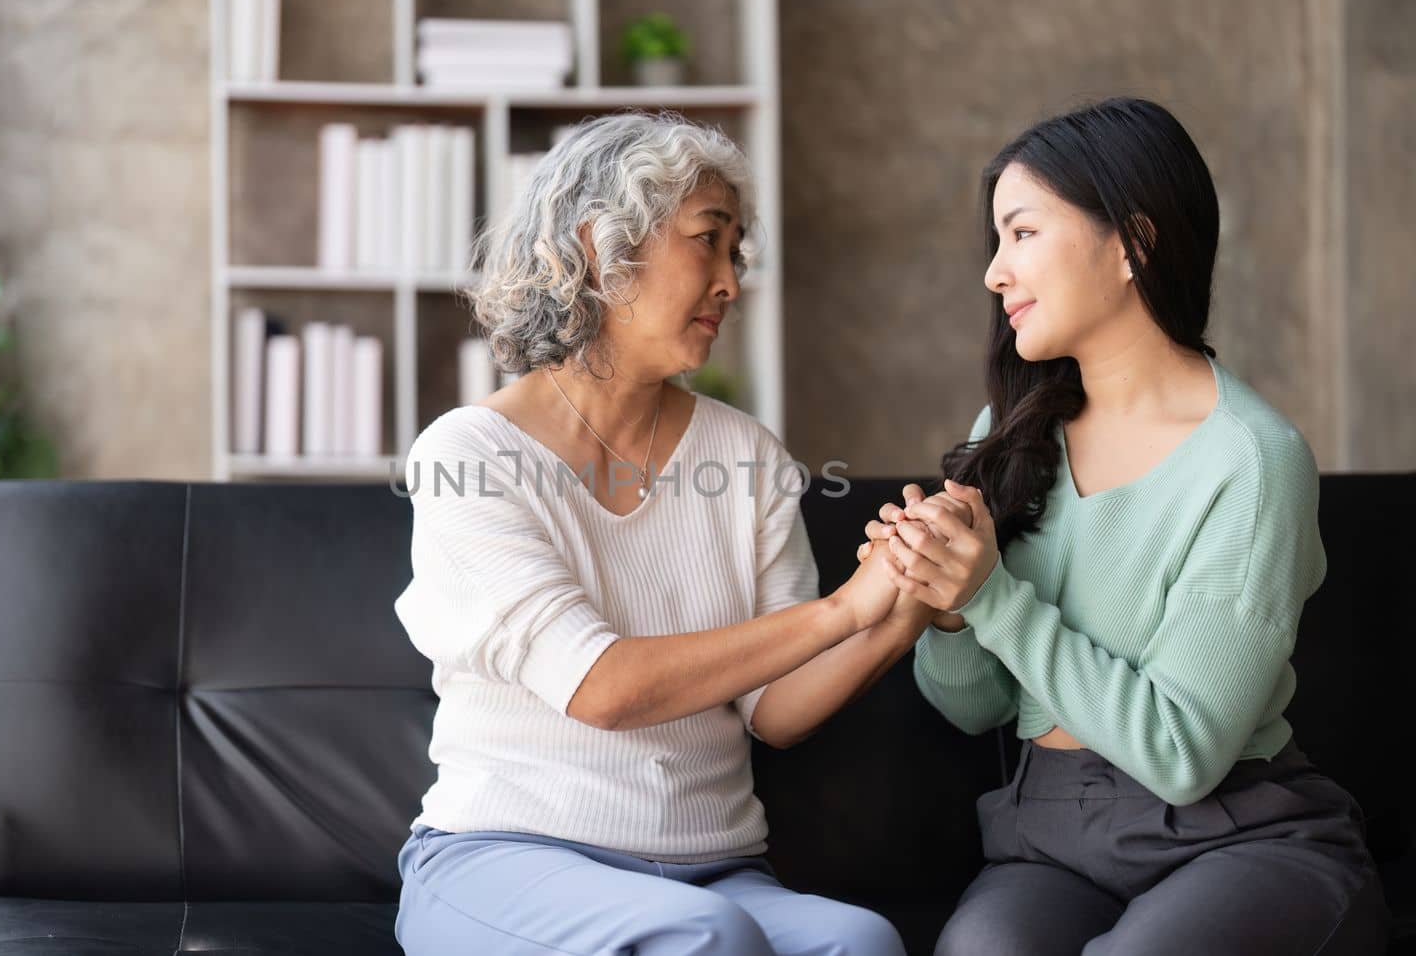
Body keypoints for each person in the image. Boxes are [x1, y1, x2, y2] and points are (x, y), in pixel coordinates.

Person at [391, 110, 935, 955]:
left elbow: (777, 713)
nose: (730, 282)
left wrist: (901, 598)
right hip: (504, 857)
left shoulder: (744, 452)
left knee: (859, 942)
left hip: (714, 870)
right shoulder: (468, 455)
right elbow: (603, 688)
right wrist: (840, 610)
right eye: (707, 242)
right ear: (601, 249)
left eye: (736, 252)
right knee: (703, 936)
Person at [858, 96, 1391, 955]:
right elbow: (973, 707)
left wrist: (993, 598)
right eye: (996, 242)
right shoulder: (1011, 433)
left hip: (1234, 831)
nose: (995, 273)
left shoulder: (1250, 461)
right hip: (1050, 836)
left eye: (1022, 234)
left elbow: (1182, 753)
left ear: (1134, 244)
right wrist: (949, 609)